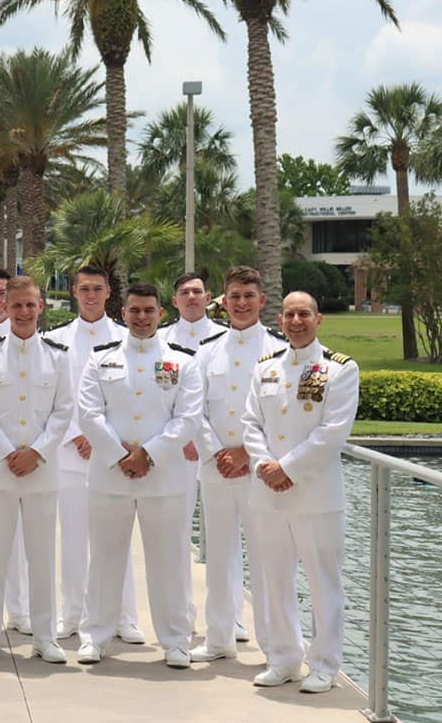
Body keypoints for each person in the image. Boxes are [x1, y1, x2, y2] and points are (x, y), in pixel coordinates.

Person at [76, 283, 203, 669]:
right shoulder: (101, 360)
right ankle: (95, 636)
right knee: (104, 560)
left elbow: (188, 418)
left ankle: (176, 640)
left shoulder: (184, 361)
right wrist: (122, 455)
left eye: (149, 310)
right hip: (110, 477)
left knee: (169, 562)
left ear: (161, 313)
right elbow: (89, 414)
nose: (142, 317)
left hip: (163, 479)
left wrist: (147, 454)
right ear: (124, 313)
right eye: (134, 310)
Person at [242, 291, 358, 693]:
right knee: (274, 579)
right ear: (280, 319)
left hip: (316, 496)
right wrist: (263, 466)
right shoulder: (265, 369)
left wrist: (286, 468)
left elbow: (332, 433)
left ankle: (324, 664)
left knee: (324, 582)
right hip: (269, 494)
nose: (296, 320)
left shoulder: (341, 370)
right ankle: (285, 657)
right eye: (290, 314)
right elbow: (250, 424)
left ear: (318, 319)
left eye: (304, 314)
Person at [0, 276, 74, 664]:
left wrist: (37, 452)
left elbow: (65, 411)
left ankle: (45, 637)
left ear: (41, 306)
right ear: (5, 309)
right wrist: (8, 453)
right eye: (16, 305)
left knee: (42, 556)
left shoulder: (58, 355)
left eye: (30, 304)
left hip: (42, 473)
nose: (24, 312)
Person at [189, 266, 285, 663]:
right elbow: (194, 409)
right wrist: (217, 453)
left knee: (265, 559)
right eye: (234, 296)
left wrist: (247, 453)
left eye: (248, 296)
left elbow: (280, 414)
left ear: (261, 300)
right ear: (223, 302)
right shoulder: (207, 350)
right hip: (216, 468)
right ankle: (219, 638)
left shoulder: (279, 350)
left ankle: (272, 646)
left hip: (259, 470)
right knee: (220, 557)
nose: (241, 303)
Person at [46, 265, 142, 644]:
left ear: (108, 293)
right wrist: (77, 434)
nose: (90, 295)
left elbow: (132, 398)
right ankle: (71, 613)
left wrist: (102, 440)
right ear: (73, 292)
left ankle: (123, 616)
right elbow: (54, 395)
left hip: (112, 455)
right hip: (69, 453)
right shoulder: (55, 340)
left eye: (97, 289)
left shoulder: (125, 338)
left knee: (117, 537)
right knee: (71, 539)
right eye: (83, 288)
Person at [159, 271, 229, 634]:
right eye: (184, 292)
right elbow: (163, 397)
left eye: (197, 292)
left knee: (225, 537)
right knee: (179, 535)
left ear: (208, 297)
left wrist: (207, 440)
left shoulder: (225, 339)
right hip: (180, 450)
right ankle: (183, 616)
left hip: (220, 451)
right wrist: (183, 435)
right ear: (174, 301)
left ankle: (228, 616)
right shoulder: (162, 340)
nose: (191, 297)